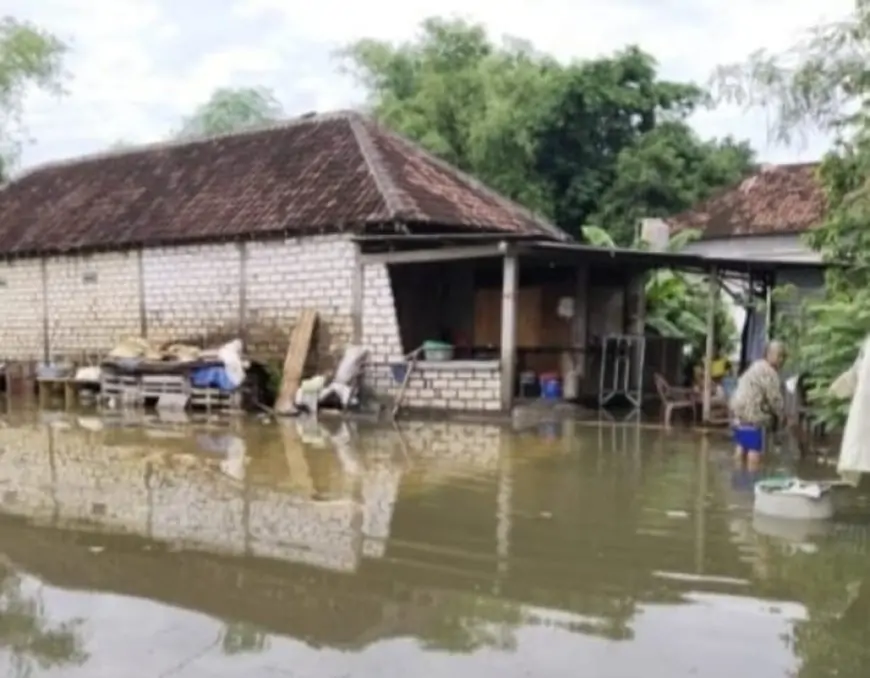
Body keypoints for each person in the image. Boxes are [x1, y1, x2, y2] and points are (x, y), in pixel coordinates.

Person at [729, 340, 788, 468]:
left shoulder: (755, 365)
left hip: (737, 409)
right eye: (779, 356)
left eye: (783, 356)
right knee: (754, 448)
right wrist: (782, 416)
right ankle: (752, 476)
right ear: (768, 354)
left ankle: (738, 474)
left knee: (741, 445)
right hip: (752, 412)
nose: (781, 360)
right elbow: (775, 400)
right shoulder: (770, 372)